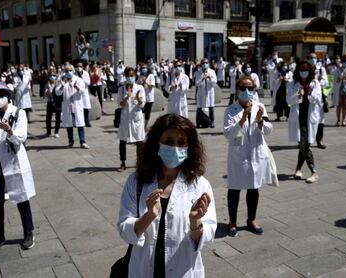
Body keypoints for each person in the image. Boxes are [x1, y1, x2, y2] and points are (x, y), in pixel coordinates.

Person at [117, 113, 217, 278]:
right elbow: (124, 229)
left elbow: (207, 235)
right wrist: (148, 216)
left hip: (182, 270)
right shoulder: (136, 182)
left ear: (189, 147)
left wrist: (195, 222)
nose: (176, 148)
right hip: (143, 270)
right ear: (157, 143)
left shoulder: (200, 185)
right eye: (169, 142)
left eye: (181, 143)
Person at [0, 81, 36, 253]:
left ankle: (29, 233)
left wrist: (10, 131)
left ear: (8, 96)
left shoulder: (18, 113)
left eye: (1, 95)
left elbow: (21, 138)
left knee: (21, 198)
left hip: (14, 163)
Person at [223, 76, 273, 237]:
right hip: (239, 155)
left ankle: (251, 219)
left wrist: (260, 122)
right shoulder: (230, 110)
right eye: (243, 88)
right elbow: (228, 134)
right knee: (234, 188)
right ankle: (232, 221)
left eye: (251, 88)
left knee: (253, 187)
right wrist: (243, 118)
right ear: (237, 90)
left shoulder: (260, 107)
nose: (247, 91)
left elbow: (268, 129)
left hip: (256, 154)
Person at [287, 61, 321, 183]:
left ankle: (314, 172)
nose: (304, 72)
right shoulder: (293, 84)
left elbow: (318, 99)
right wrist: (298, 95)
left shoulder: (315, 83)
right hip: (298, 118)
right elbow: (289, 100)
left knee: (304, 144)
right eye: (301, 70)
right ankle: (298, 169)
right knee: (303, 144)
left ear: (310, 71)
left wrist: (310, 94)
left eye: (306, 70)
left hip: (309, 118)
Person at [117, 67, 146, 172]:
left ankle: (140, 162)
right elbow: (120, 105)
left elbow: (142, 105)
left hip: (136, 118)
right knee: (122, 140)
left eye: (132, 75)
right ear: (125, 76)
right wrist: (127, 97)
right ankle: (123, 162)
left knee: (139, 141)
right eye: (128, 75)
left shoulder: (140, 88)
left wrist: (137, 98)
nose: (130, 77)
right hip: (125, 118)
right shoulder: (121, 89)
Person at [56, 65, 90, 149]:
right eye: (67, 71)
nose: (68, 72)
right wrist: (62, 86)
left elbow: (83, 91)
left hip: (76, 104)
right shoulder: (62, 80)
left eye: (70, 70)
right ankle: (70, 141)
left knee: (80, 124)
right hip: (67, 105)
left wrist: (76, 87)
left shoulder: (78, 79)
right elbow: (57, 92)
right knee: (69, 124)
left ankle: (83, 142)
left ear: (73, 70)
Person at [309, 53, 328, 149]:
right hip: (309, 98)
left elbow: (326, 83)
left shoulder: (321, 69)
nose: (313, 59)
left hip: (319, 99)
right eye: (311, 58)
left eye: (314, 57)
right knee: (308, 120)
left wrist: (319, 79)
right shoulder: (306, 69)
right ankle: (306, 141)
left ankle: (319, 140)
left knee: (320, 120)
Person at [196, 58, 217, 127]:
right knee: (199, 108)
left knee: (211, 108)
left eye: (206, 63)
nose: (205, 64)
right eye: (203, 63)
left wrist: (209, 78)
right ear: (201, 64)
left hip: (209, 92)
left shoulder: (212, 72)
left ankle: (212, 122)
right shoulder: (198, 72)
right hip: (201, 93)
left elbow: (214, 82)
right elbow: (197, 83)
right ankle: (198, 123)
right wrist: (202, 79)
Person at [137, 65, 155, 130]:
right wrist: (140, 81)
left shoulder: (151, 76)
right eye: (143, 68)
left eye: (145, 68)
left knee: (147, 112)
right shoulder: (140, 76)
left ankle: (145, 126)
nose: (144, 69)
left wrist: (145, 81)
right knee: (140, 111)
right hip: (141, 97)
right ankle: (140, 125)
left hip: (149, 97)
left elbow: (151, 86)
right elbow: (137, 85)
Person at [45, 68, 62, 137]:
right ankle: (48, 132)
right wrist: (49, 90)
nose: (52, 77)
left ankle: (56, 132)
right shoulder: (47, 83)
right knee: (48, 118)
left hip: (57, 103)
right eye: (51, 75)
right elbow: (46, 93)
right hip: (50, 102)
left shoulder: (58, 83)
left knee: (58, 118)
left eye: (54, 75)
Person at [74, 60, 92, 127]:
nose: (79, 67)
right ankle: (78, 122)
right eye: (77, 66)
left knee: (85, 107)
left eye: (80, 66)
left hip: (84, 92)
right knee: (77, 108)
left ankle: (87, 121)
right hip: (76, 92)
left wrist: (81, 79)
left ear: (83, 67)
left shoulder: (85, 73)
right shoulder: (73, 73)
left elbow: (88, 82)